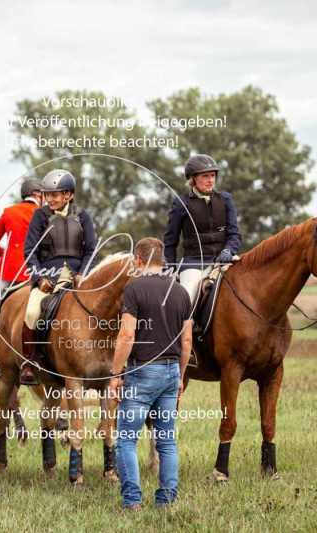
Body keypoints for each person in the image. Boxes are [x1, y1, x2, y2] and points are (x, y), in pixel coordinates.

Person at [109, 237, 193, 510]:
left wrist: (115, 374)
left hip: (142, 372)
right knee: (166, 441)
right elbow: (187, 342)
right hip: (170, 373)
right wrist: (179, 376)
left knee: (126, 440)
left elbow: (126, 334)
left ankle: (132, 500)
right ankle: (167, 500)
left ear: (139, 261)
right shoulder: (180, 291)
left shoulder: (134, 289)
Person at [19, 169, 97, 386]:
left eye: (55, 194)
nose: (50, 199)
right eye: (47, 194)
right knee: (33, 310)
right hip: (48, 276)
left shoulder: (83, 216)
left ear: (69, 195)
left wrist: (83, 273)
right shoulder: (40, 216)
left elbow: (91, 249)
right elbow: (30, 251)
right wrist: (39, 277)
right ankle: (30, 361)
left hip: (77, 276)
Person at [163, 154, 242, 307]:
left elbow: (234, 234)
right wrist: (171, 269)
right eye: (205, 176)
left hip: (225, 260)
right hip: (194, 263)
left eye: (213, 176)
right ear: (193, 179)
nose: (210, 180)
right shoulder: (181, 204)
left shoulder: (225, 200)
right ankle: (185, 329)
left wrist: (229, 250)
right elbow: (170, 241)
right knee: (186, 301)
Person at [0, 178, 43, 302]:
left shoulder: (9, 212)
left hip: (10, 270)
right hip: (37, 271)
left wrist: (3, 254)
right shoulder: (45, 214)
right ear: (37, 194)